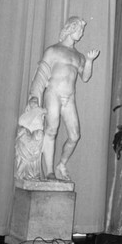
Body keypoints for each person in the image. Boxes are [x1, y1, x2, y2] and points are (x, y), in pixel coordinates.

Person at [27, 16, 100, 181]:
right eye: (79, 30)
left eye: (82, 31)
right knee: (51, 129)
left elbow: (86, 77)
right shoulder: (53, 51)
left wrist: (89, 61)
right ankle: (50, 171)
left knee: (75, 135)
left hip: (69, 98)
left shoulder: (79, 56)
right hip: (53, 93)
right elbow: (41, 75)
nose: (81, 34)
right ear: (70, 29)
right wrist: (34, 97)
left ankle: (61, 164)